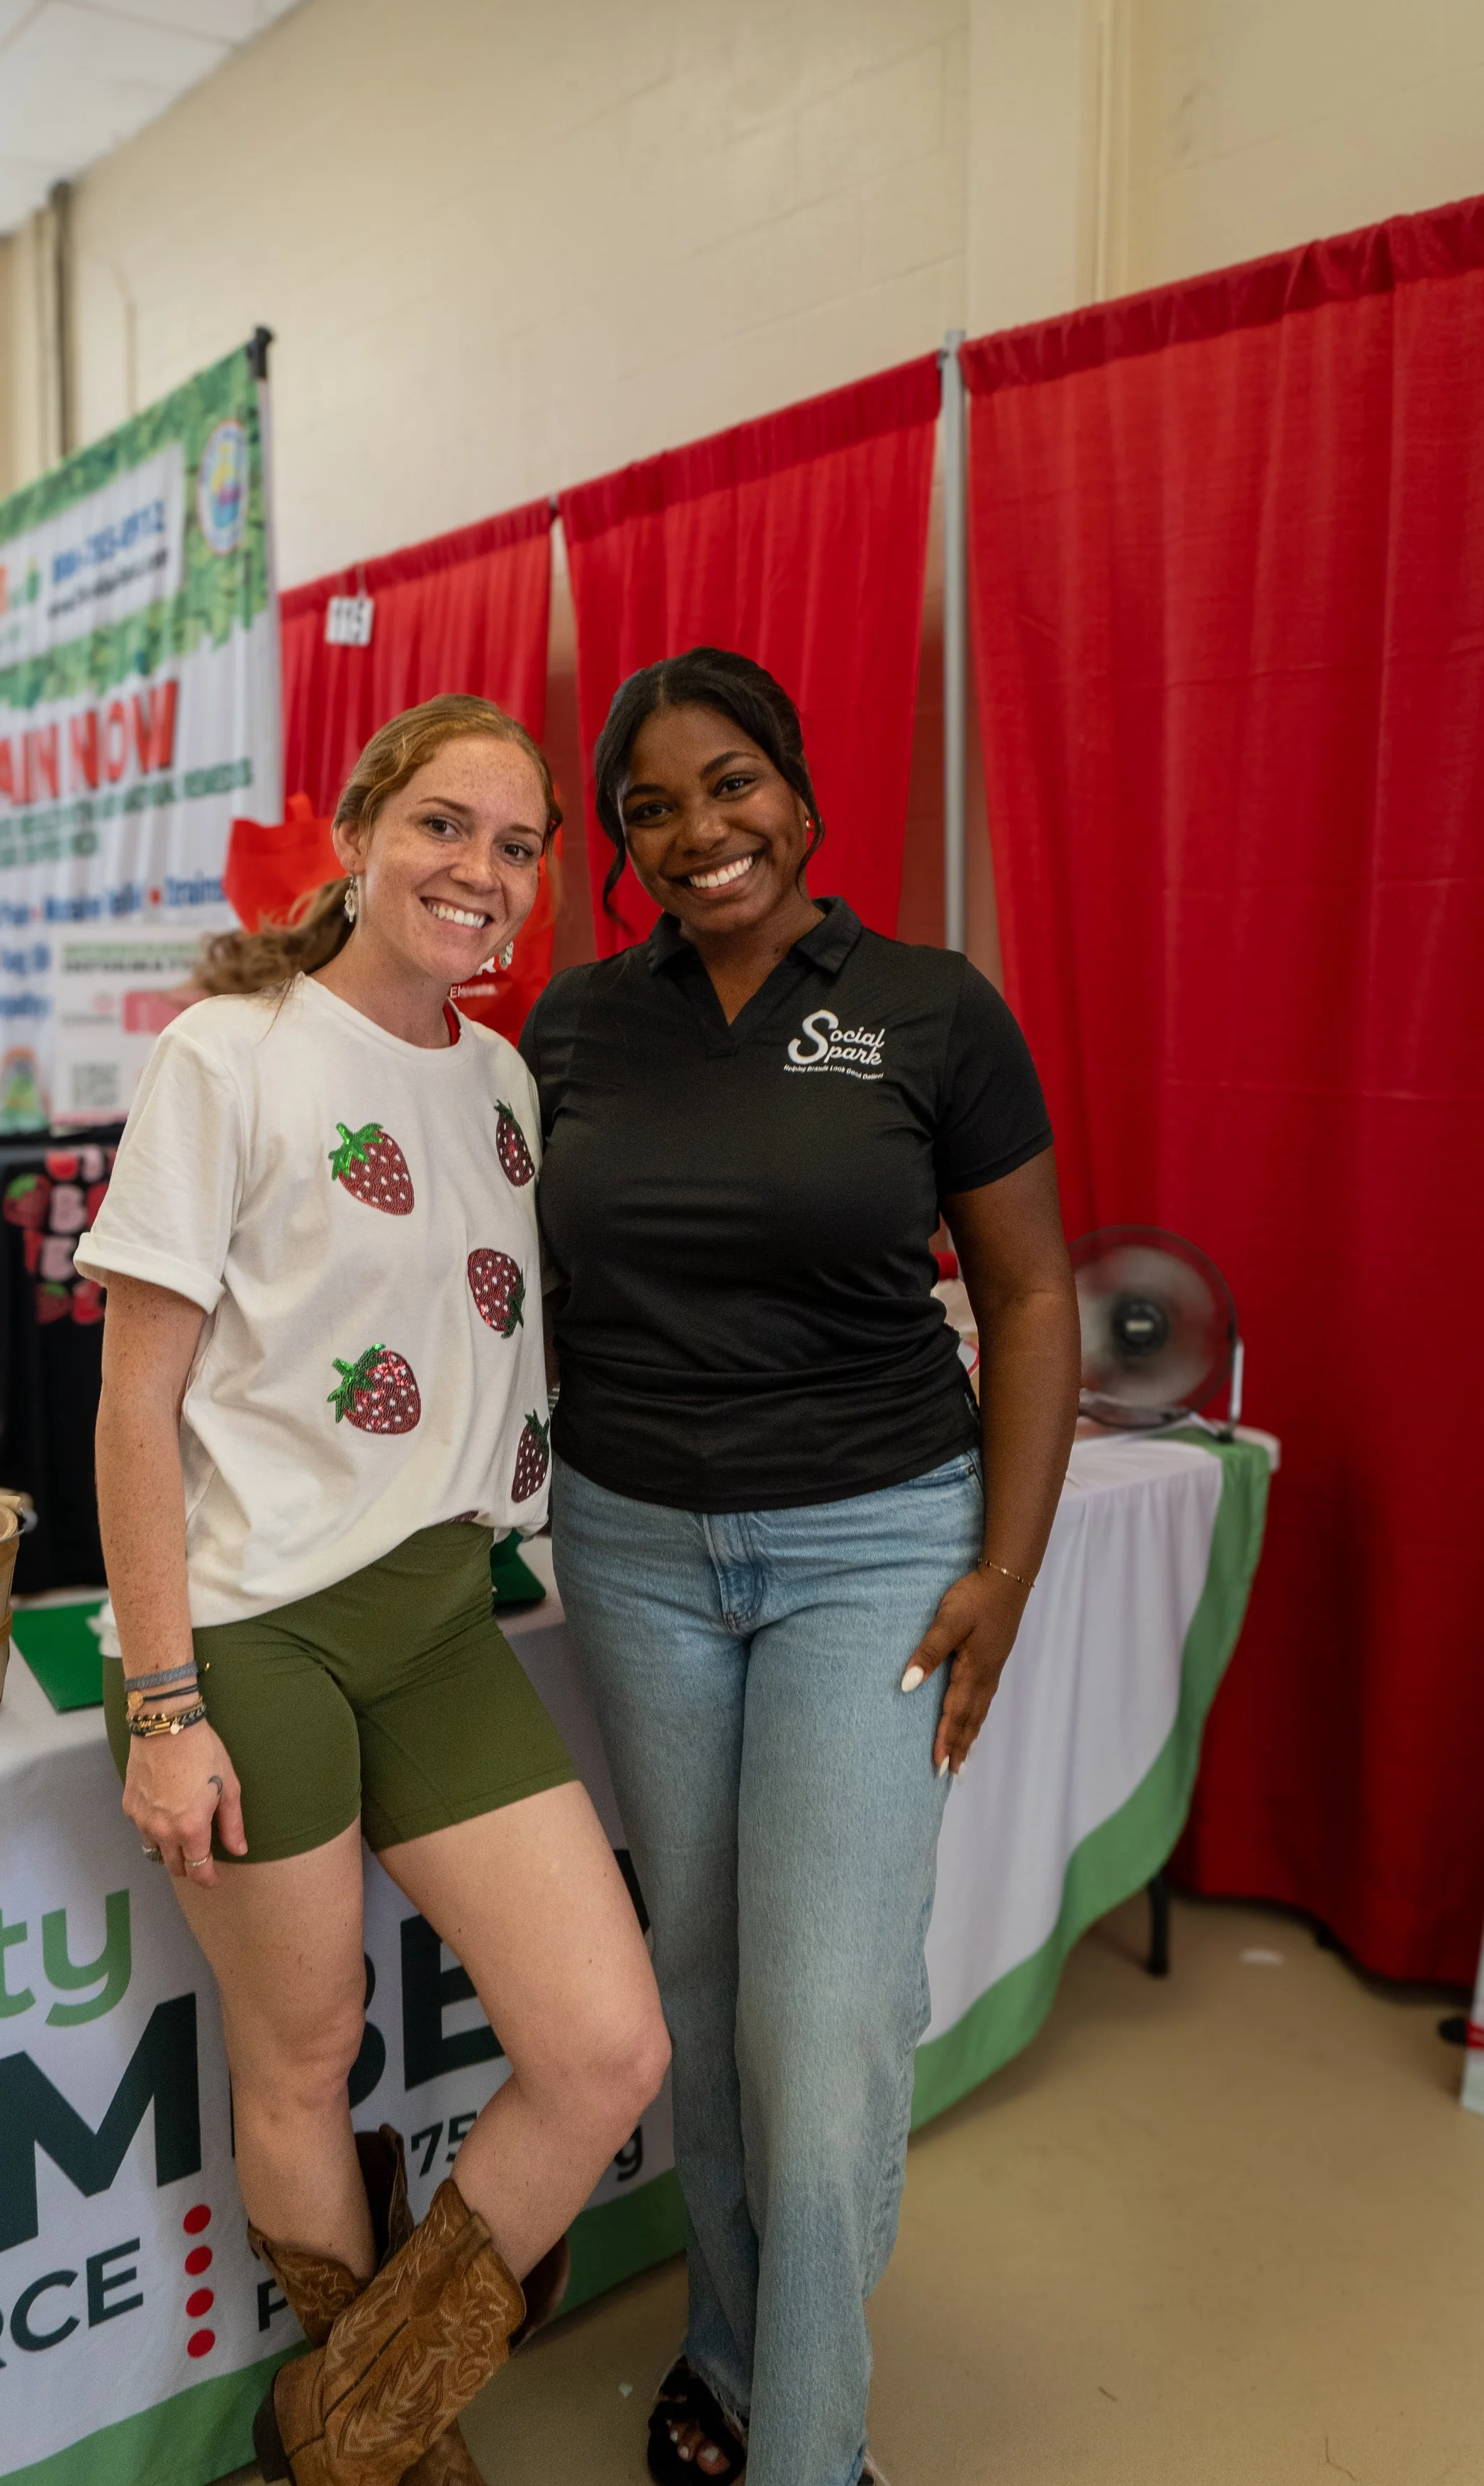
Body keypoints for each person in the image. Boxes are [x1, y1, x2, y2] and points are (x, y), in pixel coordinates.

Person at [77, 695, 669, 2486]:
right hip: (245, 1627)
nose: (475, 871)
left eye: (514, 843)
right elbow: (133, 1400)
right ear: (355, 832)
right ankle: (390, 2446)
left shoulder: (496, 1081)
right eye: (438, 825)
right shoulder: (227, 1054)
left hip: (430, 1609)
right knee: (309, 2041)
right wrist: (166, 1703)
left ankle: (330, 2431)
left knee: (602, 2046)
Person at [521, 649, 1081, 2486]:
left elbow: (1026, 1292)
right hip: (632, 1547)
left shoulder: (928, 1006)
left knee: (821, 2018)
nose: (699, 831)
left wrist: (1004, 1559)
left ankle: (809, 2448)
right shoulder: (577, 1026)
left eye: (732, 781)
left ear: (800, 789)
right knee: (699, 1990)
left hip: (874, 1539)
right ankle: (733, 2353)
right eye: (651, 808)